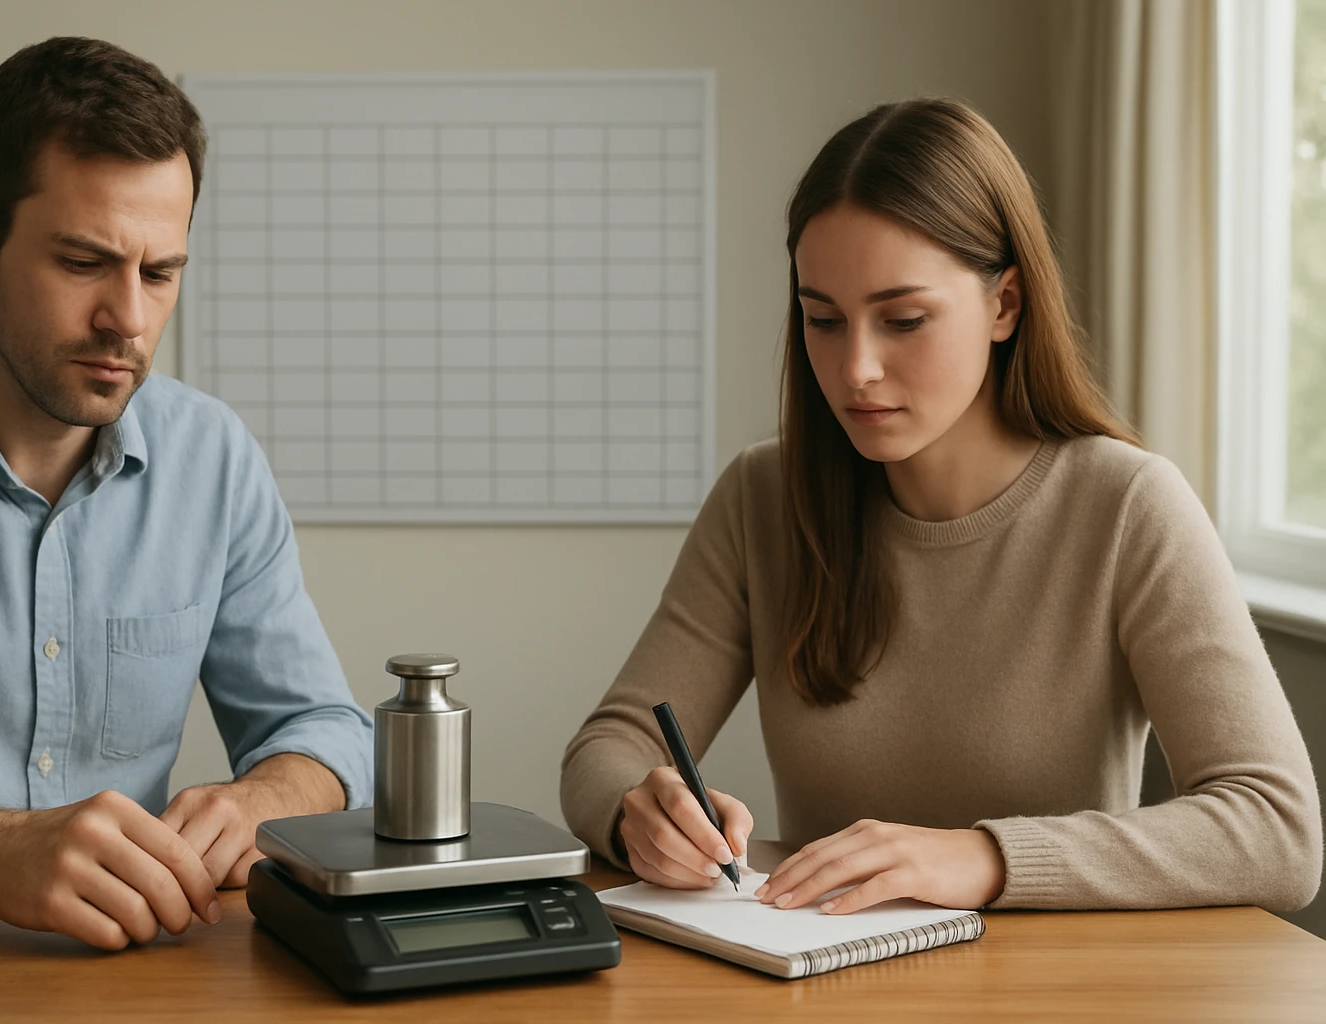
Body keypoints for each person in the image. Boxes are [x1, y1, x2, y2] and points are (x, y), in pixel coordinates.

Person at [560, 98, 1321, 916]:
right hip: (826, 984)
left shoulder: (1128, 505)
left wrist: (986, 857)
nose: (856, 369)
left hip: (1063, 990)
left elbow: (1277, 832)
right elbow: (608, 748)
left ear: (1005, 304)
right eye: (823, 320)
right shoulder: (762, 497)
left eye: (904, 320)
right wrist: (640, 810)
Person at [0, 37, 373, 950]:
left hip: (137, 977)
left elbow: (325, 727)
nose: (129, 321)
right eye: (83, 262)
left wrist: (264, 796)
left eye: (159, 273)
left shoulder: (211, 457)